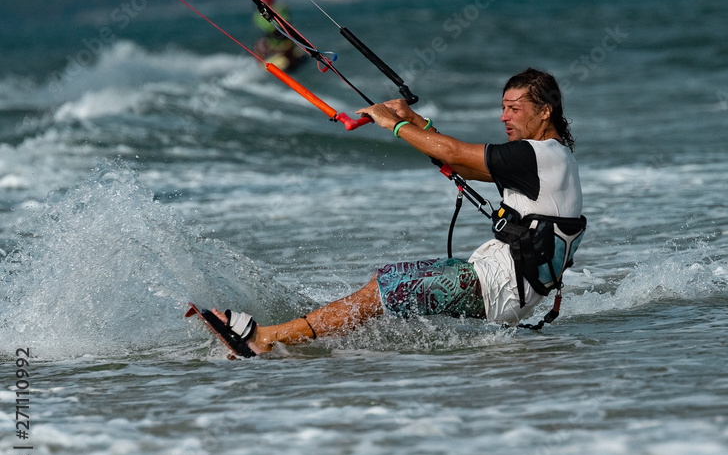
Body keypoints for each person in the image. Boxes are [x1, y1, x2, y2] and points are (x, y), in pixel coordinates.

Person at [214, 68, 585, 355]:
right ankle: (313, 339)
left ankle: (264, 339)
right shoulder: (551, 158)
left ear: (544, 111)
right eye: (502, 107)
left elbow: (455, 153)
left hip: (498, 286)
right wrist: (418, 123)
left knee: (382, 290)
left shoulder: (535, 154)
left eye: (514, 109)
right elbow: (462, 166)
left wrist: (395, 124)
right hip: (507, 289)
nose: (504, 117)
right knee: (385, 288)